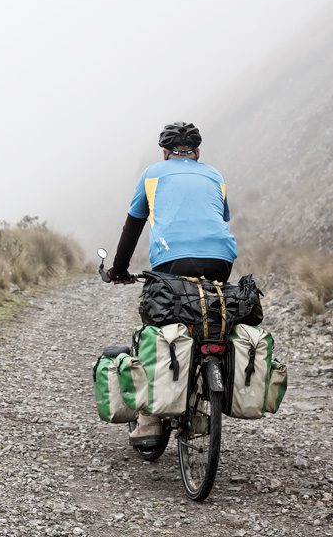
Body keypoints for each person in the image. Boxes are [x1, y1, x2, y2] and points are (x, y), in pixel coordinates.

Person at [107, 121, 238, 445]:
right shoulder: (214, 175)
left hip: (172, 261)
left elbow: (133, 225)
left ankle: (150, 419)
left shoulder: (152, 173)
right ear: (197, 152)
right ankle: (205, 391)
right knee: (206, 314)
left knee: (157, 323)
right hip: (221, 260)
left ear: (164, 153)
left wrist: (119, 269)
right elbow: (221, 218)